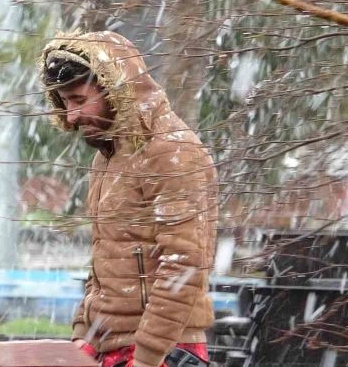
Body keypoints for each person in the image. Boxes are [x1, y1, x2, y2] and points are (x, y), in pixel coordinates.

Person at [38, 31, 218, 367]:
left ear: (115, 90)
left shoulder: (172, 151)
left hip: (161, 351)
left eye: (78, 100)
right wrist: (83, 335)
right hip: (110, 347)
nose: (71, 116)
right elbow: (104, 258)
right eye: (65, 103)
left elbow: (184, 266)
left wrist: (147, 358)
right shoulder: (107, 156)